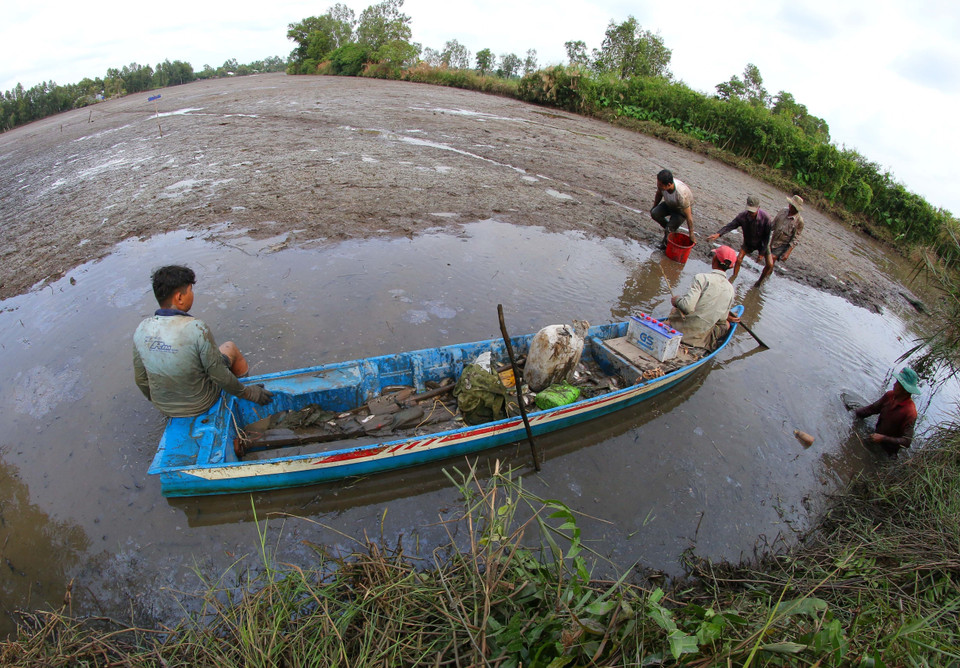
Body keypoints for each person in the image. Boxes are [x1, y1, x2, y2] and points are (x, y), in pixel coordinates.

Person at [133, 265, 273, 418]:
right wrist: (249, 393)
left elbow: (141, 380)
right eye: (190, 290)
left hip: (164, 407)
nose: (192, 294)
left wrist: (163, 402)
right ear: (179, 298)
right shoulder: (196, 328)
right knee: (230, 348)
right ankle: (243, 395)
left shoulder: (142, 328)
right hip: (202, 403)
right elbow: (220, 375)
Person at [666, 245, 740, 349]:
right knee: (726, 325)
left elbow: (687, 307)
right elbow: (722, 319)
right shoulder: (731, 289)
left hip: (679, 329)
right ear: (731, 267)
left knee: (675, 309)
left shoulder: (702, 278)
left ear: (714, 258)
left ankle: (671, 328)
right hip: (699, 338)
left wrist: (676, 300)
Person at [851, 367, 919, 456]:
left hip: (888, 451)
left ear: (906, 390)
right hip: (876, 437)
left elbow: (906, 442)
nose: (894, 384)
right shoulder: (889, 396)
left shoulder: (910, 412)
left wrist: (883, 438)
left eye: (898, 383)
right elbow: (871, 409)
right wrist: (852, 413)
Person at [706, 195, 774, 284]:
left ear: (758, 208)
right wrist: (718, 234)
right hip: (748, 241)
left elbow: (767, 237)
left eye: (753, 212)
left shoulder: (766, 218)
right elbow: (731, 225)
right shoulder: (742, 216)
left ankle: (759, 282)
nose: (750, 214)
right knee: (738, 259)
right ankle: (733, 278)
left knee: (770, 264)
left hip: (762, 243)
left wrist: (761, 253)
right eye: (749, 211)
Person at [649, 169, 695, 249]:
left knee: (669, 229)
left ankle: (665, 246)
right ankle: (672, 230)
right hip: (669, 204)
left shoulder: (681, 194)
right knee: (654, 213)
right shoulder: (662, 186)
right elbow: (659, 194)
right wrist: (654, 206)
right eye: (658, 183)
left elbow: (689, 216)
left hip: (681, 211)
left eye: (660, 185)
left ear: (669, 185)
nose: (658, 185)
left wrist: (691, 233)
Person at [768, 195, 805, 267]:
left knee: (772, 258)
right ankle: (767, 273)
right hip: (775, 239)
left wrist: (787, 253)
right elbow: (773, 224)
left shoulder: (799, 221)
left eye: (793, 206)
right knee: (770, 261)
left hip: (783, 244)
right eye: (790, 204)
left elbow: (795, 239)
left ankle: (764, 274)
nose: (790, 206)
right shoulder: (783, 211)